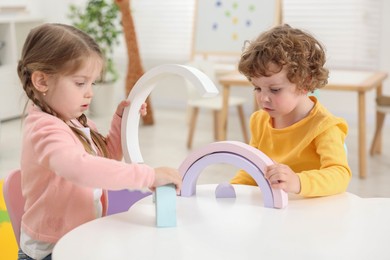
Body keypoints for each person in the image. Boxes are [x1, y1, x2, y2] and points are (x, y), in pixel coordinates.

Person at [16, 23, 182, 260]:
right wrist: (149, 176)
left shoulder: (76, 122)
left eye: (91, 83)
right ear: (42, 82)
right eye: (80, 83)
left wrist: (120, 121)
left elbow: (106, 158)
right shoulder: (43, 129)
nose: (90, 92)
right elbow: (80, 168)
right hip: (50, 250)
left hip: (80, 235)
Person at [230, 24, 351, 197]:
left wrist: (298, 181)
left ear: (304, 83)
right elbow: (252, 167)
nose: (263, 98)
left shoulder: (325, 126)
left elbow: (340, 175)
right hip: (276, 208)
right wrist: (235, 189)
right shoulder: (259, 120)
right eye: (257, 88)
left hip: (311, 211)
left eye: (275, 90)